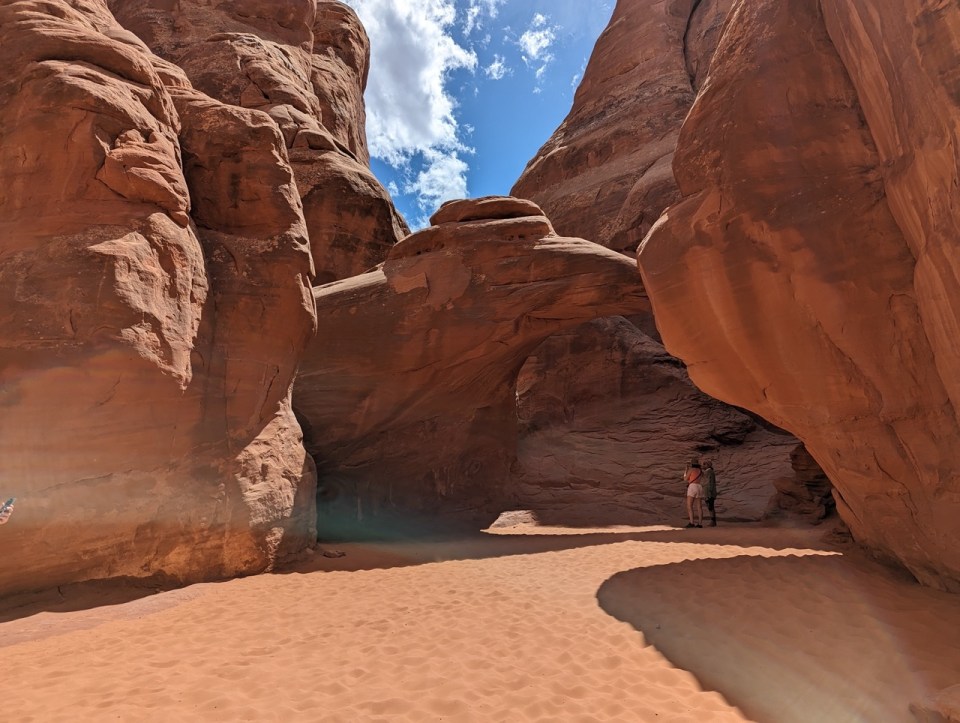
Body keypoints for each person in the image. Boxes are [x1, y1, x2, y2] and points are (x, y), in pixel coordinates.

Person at [683, 460, 703, 528]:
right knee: (699, 506)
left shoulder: (691, 469)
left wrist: (686, 469)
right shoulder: (700, 471)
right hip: (699, 486)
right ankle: (700, 523)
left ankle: (692, 522)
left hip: (692, 486)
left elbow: (685, 479)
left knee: (689, 506)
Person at [702, 461, 718, 526]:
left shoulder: (709, 472)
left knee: (710, 506)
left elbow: (709, 483)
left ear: (708, 465)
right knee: (710, 506)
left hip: (709, 492)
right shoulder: (709, 472)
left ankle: (713, 521)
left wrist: (709, 493)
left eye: (704, 464)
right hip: (709, 492)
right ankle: (713, 521)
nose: (703, 466)